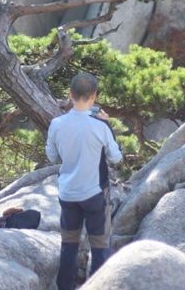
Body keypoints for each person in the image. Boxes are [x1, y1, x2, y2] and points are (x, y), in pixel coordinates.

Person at [46, 72, 123, 289]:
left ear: (70, 94)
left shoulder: (56, 124)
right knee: (100, 246)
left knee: (68, 245)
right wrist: (108, 126)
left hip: (68, 194)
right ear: (94, 96)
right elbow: (116, 158)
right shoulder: (100, 126)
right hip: (95, 194)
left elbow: (52, 157)